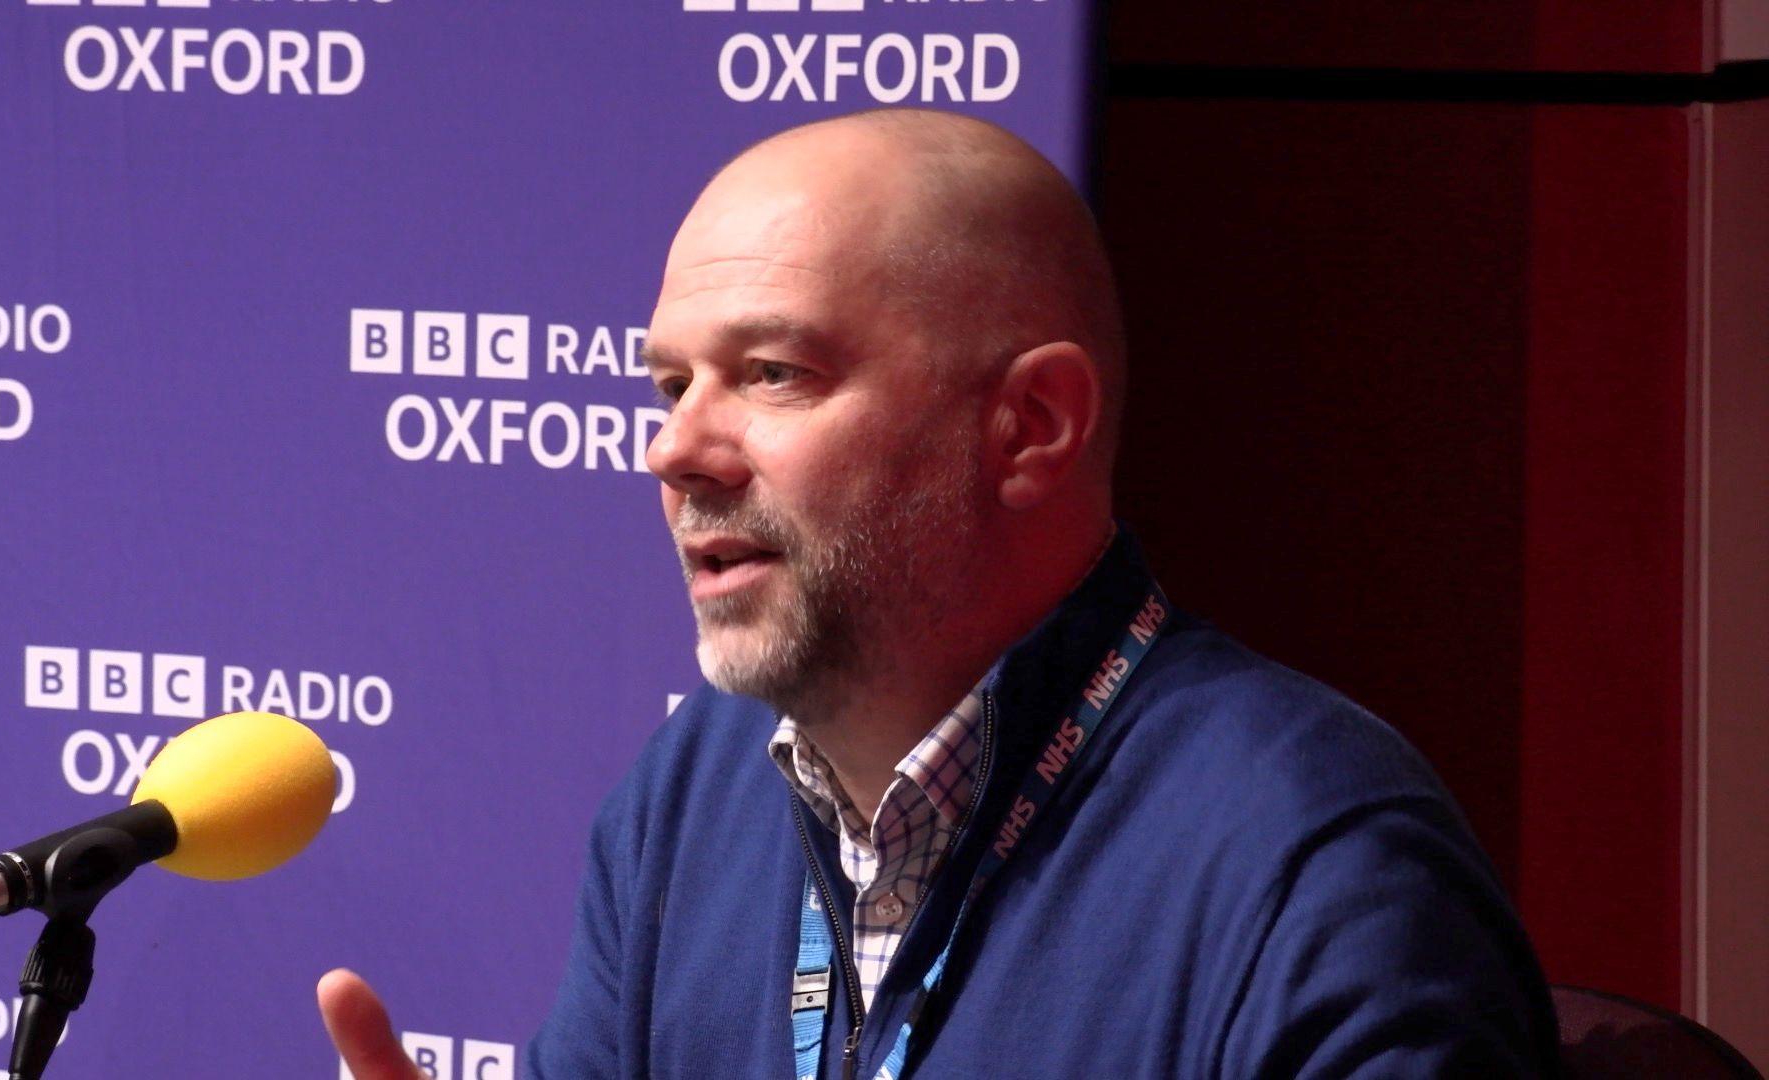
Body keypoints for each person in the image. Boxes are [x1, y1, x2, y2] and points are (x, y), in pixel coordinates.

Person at [319, 109, 1560, 1078]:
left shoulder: (1316, 869)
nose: (677, 450)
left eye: (773, 372)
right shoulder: (688, 800)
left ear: (1030, 426)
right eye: (667, 386)